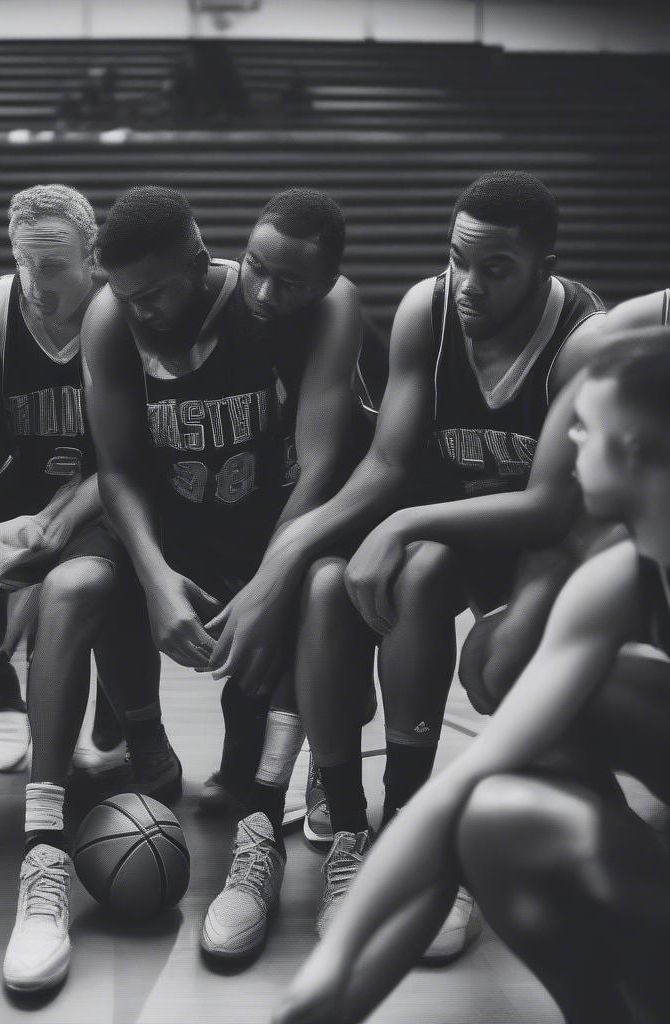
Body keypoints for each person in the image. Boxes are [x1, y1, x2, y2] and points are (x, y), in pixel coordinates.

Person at [208, 171, 611, 963]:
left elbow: (552, 509)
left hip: (547, 544)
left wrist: (404, 522)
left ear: (543, 264)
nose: (469, 282)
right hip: (455, 532)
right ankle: (369, 830)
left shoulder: (582, 339)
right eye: (459, 258)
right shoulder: (429, 310)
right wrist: (291, 552)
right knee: (337, 582)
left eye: (496, 268)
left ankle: (462, 833)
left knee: (493, 670)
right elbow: (390, 461)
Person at [274, 331, 670, 1024]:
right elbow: (462, 784)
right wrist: (332, 983)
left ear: (633, 449)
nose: (567, 442)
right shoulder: (613, 578)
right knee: (490, 817)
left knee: (615, 691)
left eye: (585, 427)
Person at [82, 186, 369, 956]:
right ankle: (144, 743)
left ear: (199, 259)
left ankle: (314, 797)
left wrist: (272, 579)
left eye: (152, 293)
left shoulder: (310, 308)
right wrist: (153, 577)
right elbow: (114, 470)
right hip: (184, 526)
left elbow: (321, 463)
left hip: (282, 519)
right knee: (94, 581)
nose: (138, 309)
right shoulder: (111, 317)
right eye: (125, 295)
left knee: (315, 592)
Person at [0, 184, 166, 993]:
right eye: (25, 264)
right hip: (18, 502)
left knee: (68, 590)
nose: (37, 283)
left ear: (91, 259)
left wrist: (55, 528)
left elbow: (131, 457)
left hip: (103, 499)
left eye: (54, 267)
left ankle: (44, 845)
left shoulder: (124, 313)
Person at [459, 285, 670, 713]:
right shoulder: (617, 563)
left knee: (584, 691)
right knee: (514, 678)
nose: (567, 439)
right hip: (603, 547)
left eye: (585, 428)